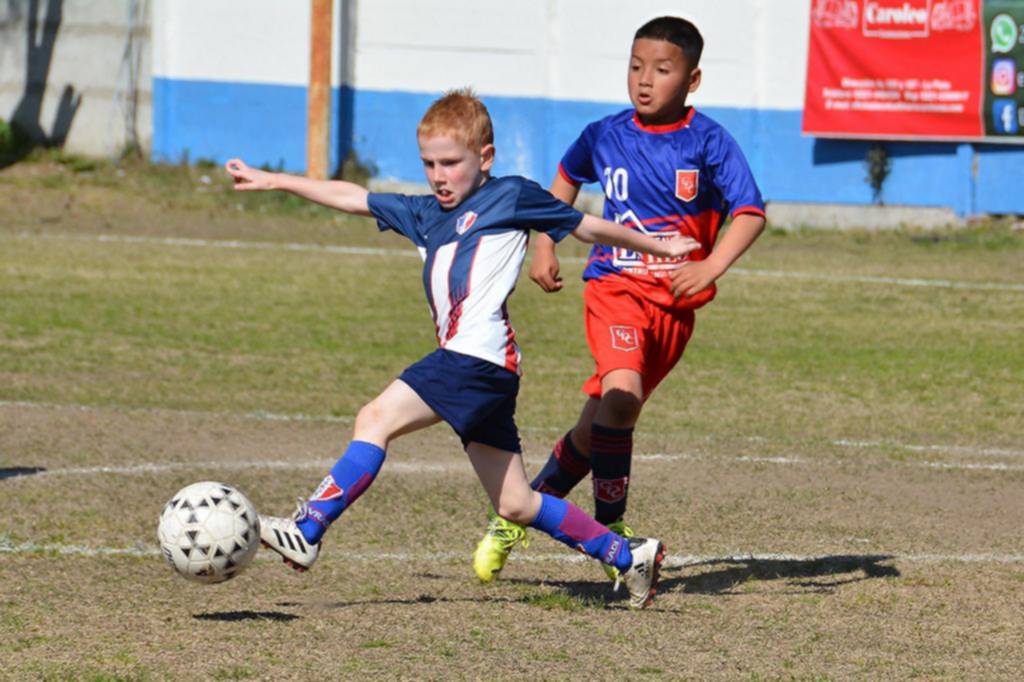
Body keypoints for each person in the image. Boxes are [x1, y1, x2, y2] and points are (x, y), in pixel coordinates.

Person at [225, 89, 700, 608]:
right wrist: (275, 180)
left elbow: (586, 226)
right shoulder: (426, 214)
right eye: (429, 164)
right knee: (516, 504)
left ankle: (308, 529)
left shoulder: (511, 196)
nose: (439, 176)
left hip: (473, 360)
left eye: (450, 163)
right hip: (488, 370)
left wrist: (660, 245)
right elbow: (353, 197)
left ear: (484, 157)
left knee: (375, 418)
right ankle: (628, 555)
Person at [472, 16, 766, 586]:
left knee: (597, 428)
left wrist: (710, 266)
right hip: (615, 288)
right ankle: (613, 538)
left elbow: (750, 213)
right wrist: (545, 244)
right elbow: (564, 180)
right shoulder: (604, 134)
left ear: (692, 80)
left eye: (662, 69)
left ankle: (514, 516)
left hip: (674, 310)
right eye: (635, 67)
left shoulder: (709, 141)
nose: (644, 80)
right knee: (623, 398)